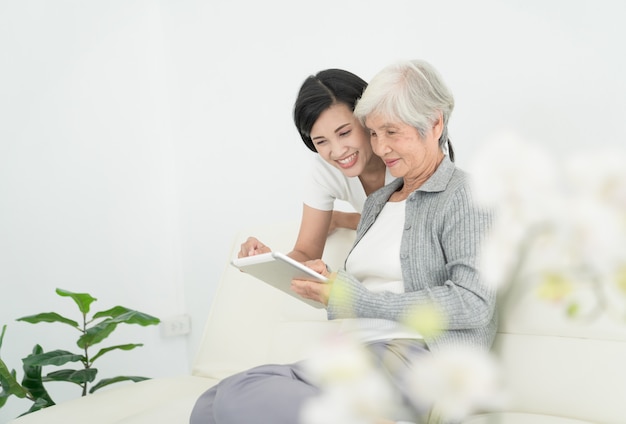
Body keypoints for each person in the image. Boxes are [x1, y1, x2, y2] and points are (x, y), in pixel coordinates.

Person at [190, 59, 497, 423]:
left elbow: (474, 303)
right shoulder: (379, 202)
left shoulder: (465, 193)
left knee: (241, 398)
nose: (381, 147)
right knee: (210, 404)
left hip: (412, 358)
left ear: (434, 123)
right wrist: (327, 283)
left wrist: (354, 297)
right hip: (352, 353)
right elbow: (361, 290)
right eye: (374, 133)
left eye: (391, 132)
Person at [239, 69, 393, 263]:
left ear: (367, 118)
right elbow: (305, 254)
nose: (337, 151)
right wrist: (265, 262)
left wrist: (342, 220)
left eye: (344, 132)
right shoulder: (325, 170)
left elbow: (412, 225)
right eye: (321, 141)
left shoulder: (403, 153)